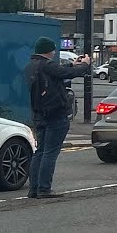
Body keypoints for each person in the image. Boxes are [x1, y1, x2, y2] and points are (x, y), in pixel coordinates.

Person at [23, 36, 92, 199]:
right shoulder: (47, 65)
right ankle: (44, 188)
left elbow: (59, 72)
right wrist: (84, 65)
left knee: (39, 152)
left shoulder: (31, 66)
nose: (54, 52)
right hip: (55, 113)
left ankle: (34, 189)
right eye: (53, 49)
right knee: (50, 152)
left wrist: (71, 64)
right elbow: (70, 73)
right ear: (49, 51)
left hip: (39, 113)